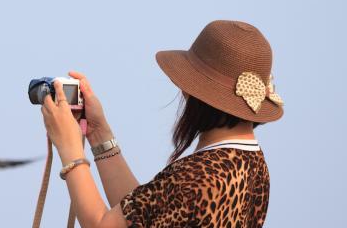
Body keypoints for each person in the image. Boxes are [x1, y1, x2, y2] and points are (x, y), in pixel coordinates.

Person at [40, 20, 284, 227]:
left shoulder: (198, 174)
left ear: (199, 94)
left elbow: (104, 225)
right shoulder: (253, 164)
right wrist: (98, 134)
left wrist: (70, 149)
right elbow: (143, 212)